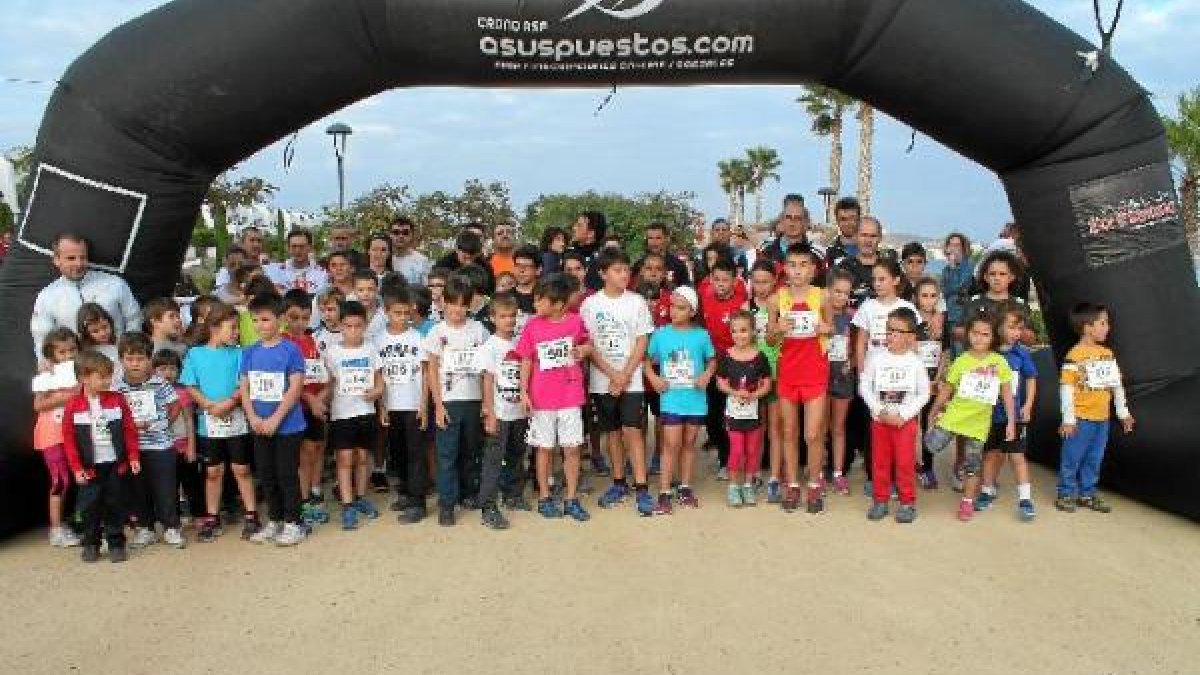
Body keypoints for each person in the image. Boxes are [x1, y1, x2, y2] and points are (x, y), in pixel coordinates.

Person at [583, 249, 656, 517]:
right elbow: (588, 345)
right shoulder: (590, 305)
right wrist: (612, 374)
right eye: (617, 270)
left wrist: (624, 374)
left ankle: (642, 487)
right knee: (611, 432)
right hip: (603, 380)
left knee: (633, 431)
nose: (623, 275)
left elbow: (641, 341)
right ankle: (618, 482)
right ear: (603, 274)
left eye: (626, 270)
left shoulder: (636, 302)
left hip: (631, 380)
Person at [514, 273, 593, 522]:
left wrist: (582, 350)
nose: (535, 304)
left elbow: (589, 344)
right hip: (541, 398)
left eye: (541, 300)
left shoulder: (575, 322)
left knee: (571, 448)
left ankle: (571, 498)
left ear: (559, 304)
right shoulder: (532, 326)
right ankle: (545, 497)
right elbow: (526, 359)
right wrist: (523, 392)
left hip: (570, 396)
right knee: (544, 448)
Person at [181, 302, 258, 542]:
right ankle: (212, 516)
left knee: (241, 468)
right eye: (232, 328)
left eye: (237, 328)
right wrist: (208, 406)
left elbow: (244, 383)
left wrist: (230, 402)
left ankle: (251, 513)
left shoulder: (239, 353)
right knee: (213, 470)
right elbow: (190, 384)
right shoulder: (195, 354)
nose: (236, 333)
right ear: (214, 327)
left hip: (235, 419)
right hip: (209, 422)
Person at [928, 314, 1017, 522]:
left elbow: (1007, 395)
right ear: (968, 334)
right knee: (932, 446)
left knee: (972, 465)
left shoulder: (999, 362)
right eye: (975, 333)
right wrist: (934, 410)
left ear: (993, 337)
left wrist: (1011, 421)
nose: (979, 338)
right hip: (954, 417)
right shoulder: (961, 361)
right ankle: (922, 465)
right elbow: (946, 390)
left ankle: (967, 502)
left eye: (985, 335)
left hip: (978, 425)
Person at [239, 293, 308, 546]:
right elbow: (244, 388)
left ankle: (294, 522)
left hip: (288, 426)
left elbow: (295, 387)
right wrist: (253, 417)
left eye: (265, 319)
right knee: (266, 475)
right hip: (259, 425)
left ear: (280, 320)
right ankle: (275, 519)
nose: (259, 325)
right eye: (255, 320)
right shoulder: (249, 352)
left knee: (286, 474)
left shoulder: (291, 350)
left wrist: (276, 418)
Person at [766, 245, 831, 513]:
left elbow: (831, 328)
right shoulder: (775, 299)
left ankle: (815, 484)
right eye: (792, 264)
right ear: (785, 269)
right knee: (789, 431)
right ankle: (792, 484)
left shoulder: (823, 296)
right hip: (788, 372)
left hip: (815, 370)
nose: (798, 270)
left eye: (803, 264)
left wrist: (826, 328)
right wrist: (778, 329)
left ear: (813, 269)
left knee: (813, 433)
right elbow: (769, 339)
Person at [423, 275, 490, 527]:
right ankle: (447, 504)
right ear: (443, 303)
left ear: (470, 305)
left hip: (473, 401)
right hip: (449, 402)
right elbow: (431, 369)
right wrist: (438, 405)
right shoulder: (436, 332)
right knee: (447, 454)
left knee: (471, 451)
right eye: (453, 303)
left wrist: (486, 403)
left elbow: (486, 370)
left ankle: (468, 493)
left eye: (464, 305)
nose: (458, 310)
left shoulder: (479, 330)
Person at [1056, 302, 1135, 514]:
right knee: (1072, 458)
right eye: (1103, 323)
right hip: (1080, 419)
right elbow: (1066, 388)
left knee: (1094, 458)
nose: (1108, 327)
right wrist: (1069, 419)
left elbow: (1116, 385)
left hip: (1102, 419)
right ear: (1088, 327)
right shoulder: (1074, 356)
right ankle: (1065, 494)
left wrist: (1123, 413)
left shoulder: (1107, 354)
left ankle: (1087, 494)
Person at [62, 350, 141, 563]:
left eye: (109, 375)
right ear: (84, 378)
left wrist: (133, 456)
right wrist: (76, 468)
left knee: (115, 504)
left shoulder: (117, 400)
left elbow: (129, 429)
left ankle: (116, 543)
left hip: (115, 464)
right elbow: (69, 440)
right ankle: (91, 543)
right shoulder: (73, 406)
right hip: (89, 469)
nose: (108, 380)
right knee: (89, 507)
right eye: (102, 376)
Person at [644, 285, 716, 515]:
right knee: (671, 444)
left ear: (693, 311)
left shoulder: (701, 335)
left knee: (689, 443)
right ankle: (664, 491)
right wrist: (654, 378)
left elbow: (712, 361)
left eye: (681, 307)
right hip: (671, 398)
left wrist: (706, 375)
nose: (674, 311)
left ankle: (685, 486)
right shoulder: (660, 334)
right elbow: (646, 360)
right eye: (672, 306)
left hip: (694, 399)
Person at [851, 258, 919, 496]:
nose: (877, 284)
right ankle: (875, 478)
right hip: (874, 379)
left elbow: (915, 343)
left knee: (901, 433)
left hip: (901, 381)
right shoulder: (867, 307)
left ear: (896, 280)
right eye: (874, 280)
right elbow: (860, 343)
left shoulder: (908, 308)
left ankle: (899, 481)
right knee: (876, 430)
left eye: (882, 279)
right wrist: (861, 374)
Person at [859, 307, 931, 523]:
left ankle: (907, 502)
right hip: (880, 421)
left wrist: (905, 414)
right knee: (880, 461)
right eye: (889, 330)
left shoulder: (916, 363)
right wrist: (878, 410)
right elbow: (865, 385)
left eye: (897, 331)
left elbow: (924, 393)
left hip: (904, 424)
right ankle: (880, 500)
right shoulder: (877, 359)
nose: (891, 335)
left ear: (911, 337)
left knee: (904, 462)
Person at [115, 331, 183, 549]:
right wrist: (129, 427)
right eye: (129, 359)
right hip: (133, 448)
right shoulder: (116, 387)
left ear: (149, 359)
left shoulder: (159, 383)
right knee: (138, 489)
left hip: (161, 445)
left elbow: (174, 406)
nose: (135, 364)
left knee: (165, 488)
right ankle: (146, 528)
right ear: (121, 360)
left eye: (141, 359)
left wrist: (161, 424)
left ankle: (171, 527)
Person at [322, 300, 384, 530]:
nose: (353, 331)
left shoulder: (371, 349)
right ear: (340, 326)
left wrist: (376, 392)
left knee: (361, 457)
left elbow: (380, 381)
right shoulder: (332, 353)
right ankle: (347, 505)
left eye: (358, 326)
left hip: (365, 412)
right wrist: (320, 402)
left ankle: (359, 497)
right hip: (342, 414)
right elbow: (328, 383)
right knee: (345, 459)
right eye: (348, 326)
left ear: (365, 326)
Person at [974, 304, 1038, 520]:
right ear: (998, 327)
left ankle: (1025, 498)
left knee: (1017, 456)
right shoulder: (986, 353)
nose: (1017, 333)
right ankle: (987, 490)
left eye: (1020, 328)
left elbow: (1031, 378)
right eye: (1012, 327)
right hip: (989, 416)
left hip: (1015, 416)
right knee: (991, 454)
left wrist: (1028, 405)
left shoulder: (1021, 353)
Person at [31, 232, 141, 358]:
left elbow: (134, 318)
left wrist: (130, 350)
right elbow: (42, 336)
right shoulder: (46, 296)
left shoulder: (115, 283)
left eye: (83, 257)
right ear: (56, 260)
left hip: (119, 360)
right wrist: (44, 360)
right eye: (71, 258)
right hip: (76, 368)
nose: (78, 264)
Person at [376, 289, 429, 524]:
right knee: (397, 453)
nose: (403, 317)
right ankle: (406, 492)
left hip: (413, 403)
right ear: (386, 312)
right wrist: (381, 405)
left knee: (416, 453)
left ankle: (418, 502)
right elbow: (377, 375)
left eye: (407, 313)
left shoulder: (417, 338)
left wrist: (424, 404)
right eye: (397, 313)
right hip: (391, 404)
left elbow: (426, 373)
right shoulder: (378, 340)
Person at [477, 293, 530, 529]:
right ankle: (488, 505)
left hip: (520, 410)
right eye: (503, 316)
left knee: (517, 454)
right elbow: (486, 380)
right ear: (492, 318)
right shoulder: (490, 346)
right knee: (494, 459)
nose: (509, 320)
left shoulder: (521, 342)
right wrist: (489, 411)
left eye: (512, 316)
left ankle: (512, 494)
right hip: (500, 411)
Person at [280, 290, 330, 526]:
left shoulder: (312, 341)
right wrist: (310, 400)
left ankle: (316, 489)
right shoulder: (283, 344)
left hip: (317, 404)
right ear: (284, 317)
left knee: (318, 448)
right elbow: (289, 380)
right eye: (294, 317)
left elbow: (323, 374)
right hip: (297, 407)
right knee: (305, 454)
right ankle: (304, 498)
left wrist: (320, 398)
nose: (300, 322)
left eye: (304, 317)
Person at [715, 311, 772, 507]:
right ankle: (733, 486)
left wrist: (754, 395)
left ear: (753, 332)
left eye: (744, 330)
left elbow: (766, 384)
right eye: (735, 331)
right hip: (733, 414)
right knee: (737, 449)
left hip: (753, 413)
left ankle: (747, 485)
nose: (739, 335)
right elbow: (720, 382)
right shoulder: (726, 356)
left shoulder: (760, 357)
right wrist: (734, 392)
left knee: (752, 450)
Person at [32, 328, 83, 547]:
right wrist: (65, 396)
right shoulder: (46, 375)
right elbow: (38, 404)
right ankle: (56, 530)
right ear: (52, 354)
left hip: (75, 432)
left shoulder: (81, 371)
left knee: (81, 477)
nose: (69, 355)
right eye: (62, 352)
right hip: (52, 434)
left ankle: (80, 522)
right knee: (60, 480)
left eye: (72, 349)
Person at [698, 258, 748, 478]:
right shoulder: (703, 300)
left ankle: (733, 460)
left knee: (734, 416)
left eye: (725, 280)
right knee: (712, 416)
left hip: (734, 366)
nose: (720, 284)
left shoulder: (742, 302)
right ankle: (723, 456)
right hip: (708, 365)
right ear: (710, 279)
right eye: (716, 279)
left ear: (734, 281)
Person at [152, 348, 203, 528]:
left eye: (172, 369)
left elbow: (189, 421)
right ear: (154, 371)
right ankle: (173, 519)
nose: (168, 373)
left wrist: (191, 447)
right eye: (163, 368)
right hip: (163, 447)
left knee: (191, 483)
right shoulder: (152, 392)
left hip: (182, 446)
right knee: (168, 486)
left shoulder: (183, 393)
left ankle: (198, 515)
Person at [912, 277, 947, 489]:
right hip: (914, 380)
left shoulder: (943, 321)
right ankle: (908, 463)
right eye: (924, 295)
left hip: (933, 381)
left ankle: (927, 467)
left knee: (928, 424)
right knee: (909, 425)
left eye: (933, 296)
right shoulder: (911, 321)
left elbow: (945, 351)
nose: (929, 300)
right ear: (916, 298)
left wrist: (938, 378)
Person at [825, 268, 856, 496]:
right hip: (820, 377)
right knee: (817, 428)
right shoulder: (818, 313)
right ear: (828, 290)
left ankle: (837, 472)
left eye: (846, 293)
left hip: (843, 377)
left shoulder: (854, 317)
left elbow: (858, 347)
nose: (841, 297)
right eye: (837, 291)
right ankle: (817, 471)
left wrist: (852, 363)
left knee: (838, 428)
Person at [958, 250, 1031, 346]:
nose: (997, 278)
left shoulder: (1020, 305)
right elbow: (958, 332)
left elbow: (1031, 339)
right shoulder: (973, 303)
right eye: (992, 274)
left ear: (1011, 277)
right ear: (985, 277)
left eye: (1002, 274)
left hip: (1012, 358)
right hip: (981, 358)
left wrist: (1016, 330)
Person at [759, 196, 827, 281]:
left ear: (805, 223)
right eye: (788, 217)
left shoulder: (817, 253)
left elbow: (822, 285)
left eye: (797, 218)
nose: (792, 223)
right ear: (782, 221)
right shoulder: (765, 249)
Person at [835, 215, 885, 309]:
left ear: (880, 238)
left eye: (873, 236)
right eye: (864, 235)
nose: (868, 240)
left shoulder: (889, 268)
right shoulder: (842, 269)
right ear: (856, 236)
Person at [435, 228, 496, 295]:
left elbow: (491, 291)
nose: (468, 262)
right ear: (457, 249)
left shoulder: (485, 267)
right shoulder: (442, 266)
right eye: (465, 258)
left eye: (472, 258)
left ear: (478, 253)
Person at [633, 222, 691, 289]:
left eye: (658, 238)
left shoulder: (678, 265)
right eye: (650, 238)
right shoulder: (639, 264)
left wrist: (668, 284)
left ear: (666, 239)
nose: (654, 242)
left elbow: (686, 292)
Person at [270, 229, 329, 294]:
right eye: (294, 246)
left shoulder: (322, 274)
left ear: (310, 247)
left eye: (302, 246)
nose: (297, 250)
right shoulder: (275, 272)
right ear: (288, 248)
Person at [940, 232, 974, 342]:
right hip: (949, 313)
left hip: (962, 314)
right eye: (951, 245)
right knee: (952, 353)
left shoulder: (968, 265)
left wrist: (953, 266)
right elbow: (944, 290)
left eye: (957, 245)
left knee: (960, 349)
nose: (954, 248)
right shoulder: (946, 269)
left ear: (963, 247)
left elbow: (957, 286)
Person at [565, 210, 606, 291]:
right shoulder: (567, 253)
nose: (574, 228)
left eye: (579, 225)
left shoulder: (603, 260)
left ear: (591, 233)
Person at [77, 303, 121, 372]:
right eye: (95, 331)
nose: (103, 333)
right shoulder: (82, 350)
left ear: (110, 323)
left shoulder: (120, 343)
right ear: (86, 333)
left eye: (105, 327)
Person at [389, 217, 432, 286]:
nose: (401, 236)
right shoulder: (385, 259)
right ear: (390, 235)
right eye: (396, 232)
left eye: (405, 233)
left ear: (412, 235)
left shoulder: (422, 261)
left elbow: (427, 289)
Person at [825, 196, 862, 261]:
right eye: (843, 219)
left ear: (859, 219)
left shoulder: (870, 250)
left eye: (852, 218)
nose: (848, 223)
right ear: (837, 221)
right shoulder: (828, 254)